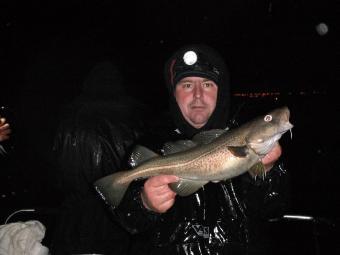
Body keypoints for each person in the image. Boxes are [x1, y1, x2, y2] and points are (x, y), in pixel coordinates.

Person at [101, 44, 290, 255]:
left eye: (208, 84)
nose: (198, 95)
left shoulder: (248, 137)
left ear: (221, 91)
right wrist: (144, 203)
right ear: (174, 93)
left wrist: (269, 172)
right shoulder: (151, 141)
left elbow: (274, 211)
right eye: (187, 85)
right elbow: (124, 221)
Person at [49, 61, 148, 254]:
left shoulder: (69, 115)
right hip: (117, 220)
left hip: (75, 222)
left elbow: (57, 174)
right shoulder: (136, 115)